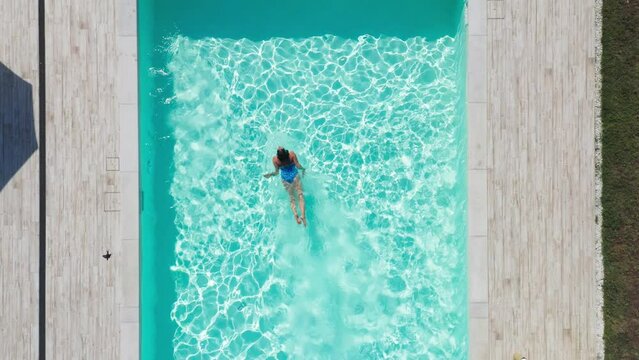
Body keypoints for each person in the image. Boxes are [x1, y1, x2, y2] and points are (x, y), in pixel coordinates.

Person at [263, 147, 307, 226]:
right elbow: (297, 165)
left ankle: (295, 215)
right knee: (300, 195)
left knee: (292, 198)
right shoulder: (292, 155)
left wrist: (270, 174)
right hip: (295, 176)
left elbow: (276, 173)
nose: (279, 147)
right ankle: (303, 215)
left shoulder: (275, 160)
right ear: (285, 152)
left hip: (286, 179)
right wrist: (303, 169)